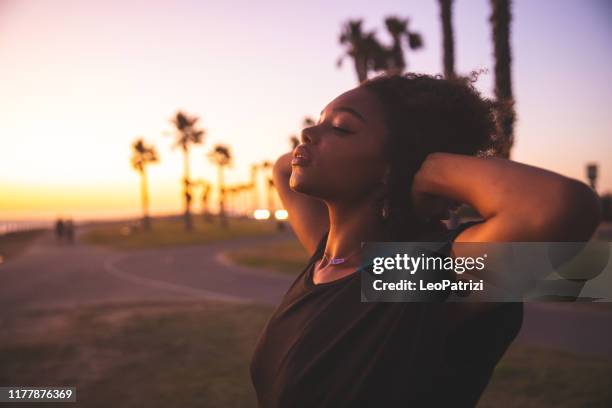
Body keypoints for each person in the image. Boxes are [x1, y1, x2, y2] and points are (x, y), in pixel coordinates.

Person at [249, 72, 601, 407]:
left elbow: (558, 205)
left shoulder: (413, 273)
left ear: (393, 166)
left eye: (341, 127)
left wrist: (422, 168)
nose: (308, 131)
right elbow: (283, 167)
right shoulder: (330, 259)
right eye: (319, 120)